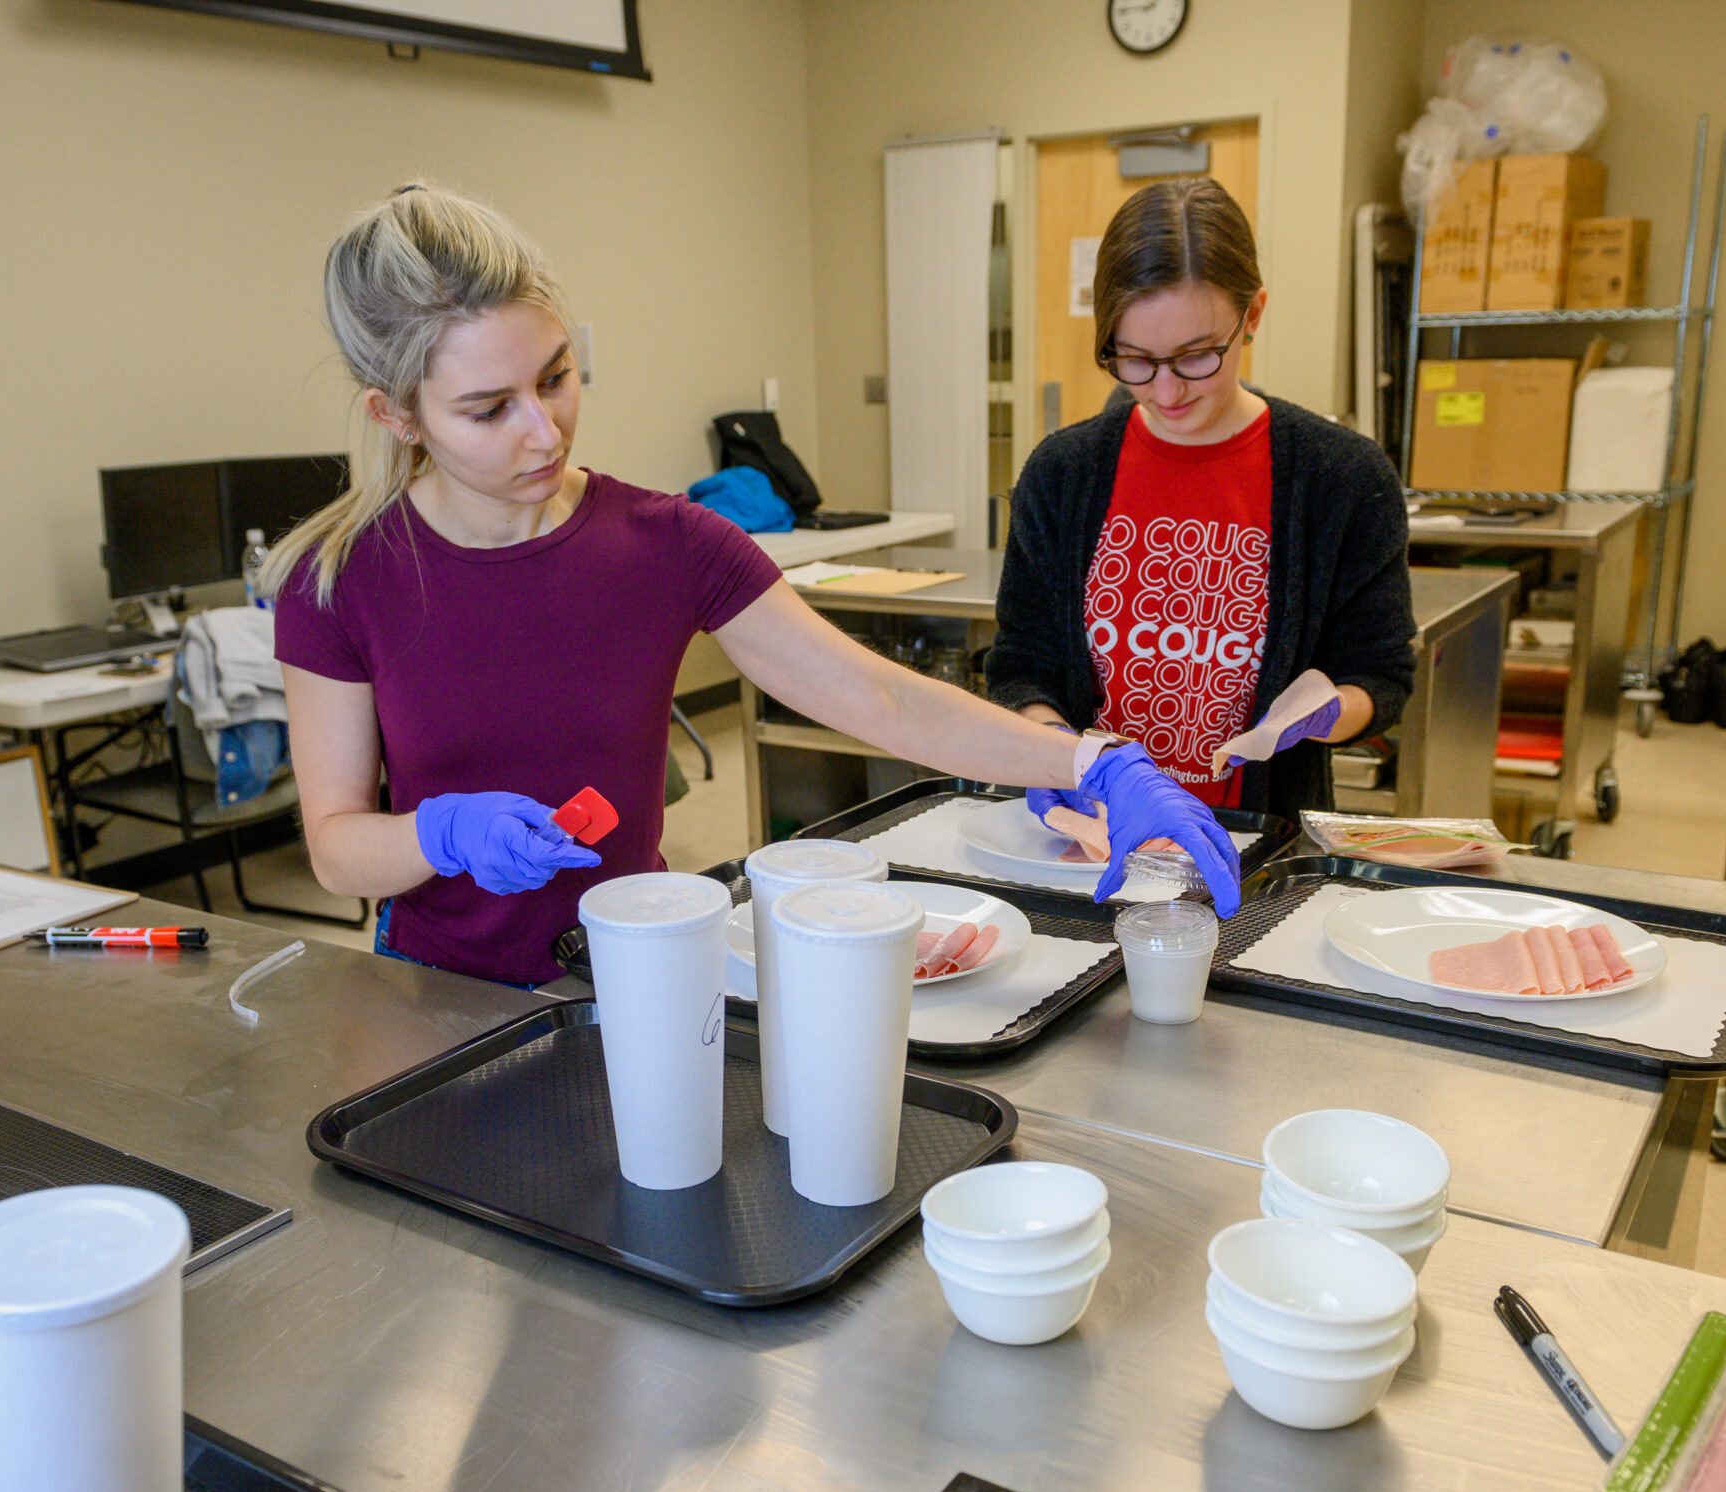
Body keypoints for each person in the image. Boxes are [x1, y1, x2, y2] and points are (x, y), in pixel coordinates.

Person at [262, 184, 1243, 987]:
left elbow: (880, 697)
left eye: (556, 377)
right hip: (428, 988)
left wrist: (1092, 763)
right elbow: (338, 849)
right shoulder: (339, 579)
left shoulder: (664, 543)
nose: (544, 430)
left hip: (630, 964)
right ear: (395, 414)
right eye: (487, 408)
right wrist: (440, 831)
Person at [986, 177, 1416, 825]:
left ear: (1255, 314)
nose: (1166, 390)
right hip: (1092, 835)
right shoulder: (1062, 473)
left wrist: (1327, 709)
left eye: (1196, 356)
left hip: (1254, 843)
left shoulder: (1343, 478)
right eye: (1134, 359)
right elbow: (1022, 666)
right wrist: (1064, 759)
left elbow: (1381, 676)